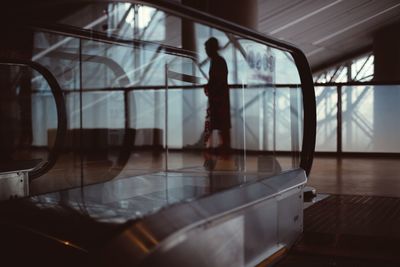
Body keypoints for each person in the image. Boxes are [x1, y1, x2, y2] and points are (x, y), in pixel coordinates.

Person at [203, 37, 231, 167]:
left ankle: (221, 150)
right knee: (222, 125)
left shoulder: (217, 61)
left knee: (219, 123)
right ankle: (224, 150)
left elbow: (217, 80)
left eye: (207, 48)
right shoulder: (218, 61)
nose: (206, 51)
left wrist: (211, 88)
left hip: (218, 98)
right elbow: (219, 79)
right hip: (220, 97)